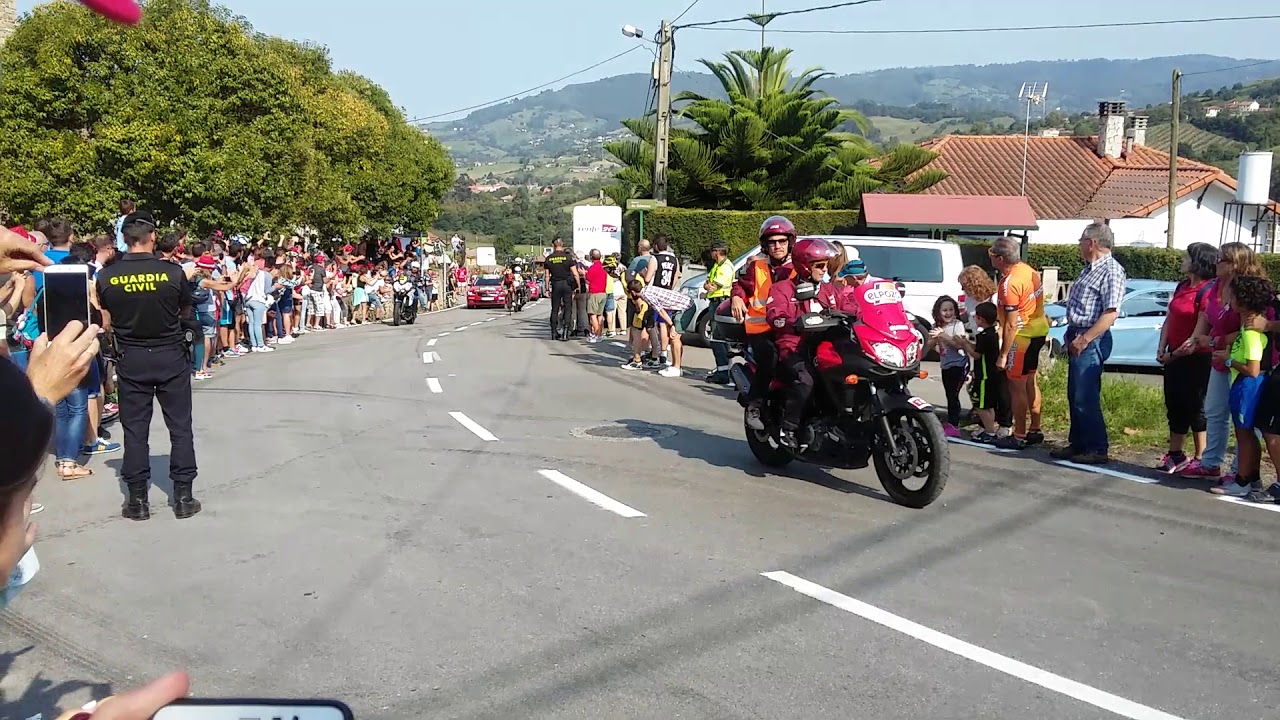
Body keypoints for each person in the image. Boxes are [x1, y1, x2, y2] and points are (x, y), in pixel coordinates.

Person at [95, 211, 202, 520]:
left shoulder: (107, 276)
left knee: (135, 431)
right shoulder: (172, 272)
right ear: (152, 236)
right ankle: (183, 497)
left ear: (125, 239)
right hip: (170, 354)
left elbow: (107, 316)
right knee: (180, 428)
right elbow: (184, 307)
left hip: (132, 357)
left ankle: (138, 500)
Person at [1050, 221, 1126, 465]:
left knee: (1086, 394)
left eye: (1082, 241)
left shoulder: (1111, 270)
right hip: (1077, 332)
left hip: (1092, 337)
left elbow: (1111, 312)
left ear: (1092, 242)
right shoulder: (1088, 269)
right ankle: (1079, 442)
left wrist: (1085, 338)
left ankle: (1097, 447)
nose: (1079, 245)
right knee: (1074, 394)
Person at [764, 237, 842, 449]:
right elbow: (774, 314)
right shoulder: (782, 289)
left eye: (826, 265)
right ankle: (788, 428)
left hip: (826, 345)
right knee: (805, 379)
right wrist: (789, 321)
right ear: (805, 266)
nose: (824, 270)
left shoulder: (829, 289)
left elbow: (851, 303)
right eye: (819, 266)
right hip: (794, 344)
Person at [1208, 274, 1274, 500]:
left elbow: (1253, 369)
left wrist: (1228, 360)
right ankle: (1251, 478)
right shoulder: (1247, 327)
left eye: (1233, 295)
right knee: (1244, 433)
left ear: (1243, 300)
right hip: (1243, 384)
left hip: (1248, 385)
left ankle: (1243, 480)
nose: (1229, 298)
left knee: (1244, 434)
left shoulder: (1252, 332)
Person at [1154, 242, 1217, 474]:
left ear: (1198, 262)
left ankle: (1202, 458)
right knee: (1175, 404)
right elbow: (1170, 318)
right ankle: (1175, 454)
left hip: (1197, 357)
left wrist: (1173, 355)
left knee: (1196, 407)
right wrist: (1162, 347)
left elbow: (1198, 332)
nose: (1183, 259)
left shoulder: (1208, 290)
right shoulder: (1182, 286)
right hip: (1174, 354)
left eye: (1187, 256)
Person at [732, 216, 796, 430]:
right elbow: (741, 285)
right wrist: (737, 296)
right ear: (765, 245)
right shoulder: (757, 267)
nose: (777, 246)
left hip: (791, 328)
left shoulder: (799, 268)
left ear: (790, 242)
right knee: (770, 360)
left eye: (782, 241)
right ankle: (755, 405)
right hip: (761, 329)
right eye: (772, 242)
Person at [988, 236, 1049, 450]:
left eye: (991, 254)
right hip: (1039, 330)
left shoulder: (1010, 283)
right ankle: (1035, 429)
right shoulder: (1029, 271)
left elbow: (1011, 324)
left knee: (1017, 386)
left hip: (1021, 337)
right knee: (1031, 381)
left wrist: (1003, 354)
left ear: (1000, 258)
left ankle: (1020, 435)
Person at [958, 302, 1003, 443]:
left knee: (981, 406)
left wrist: (964, 344)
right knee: (989, 405)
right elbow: (979, 348)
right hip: (992, 374)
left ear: (981, 319)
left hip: (984, 376)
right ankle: (989, 429)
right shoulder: (992, 333)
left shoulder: (984, 336)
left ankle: (989, 433)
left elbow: (977, 354)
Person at [926, 295, 969, 438]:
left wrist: (943, 335)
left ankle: (954, 425)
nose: (948, 313)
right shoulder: (936, 326)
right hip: (946, 365)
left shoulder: (957, 325)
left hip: (959, 364)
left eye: (951, 309)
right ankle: (951, 422)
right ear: (937, 312)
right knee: (948, 394)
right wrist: (933, 341)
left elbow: (959, 345)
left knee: (953, 395)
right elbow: (931, 345)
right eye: (944, 310)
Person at [704, 239, 735, 385]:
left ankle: (723, 373)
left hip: (720, 303)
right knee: (718, 338)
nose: (711, 254)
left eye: (712, 251)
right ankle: (722, 369)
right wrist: (707, 285)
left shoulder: (726, 267)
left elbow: (713, 286)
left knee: (717, 338)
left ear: (717, 251)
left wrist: (709, 286)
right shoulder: (718, 265)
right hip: (716, 302)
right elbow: (707, 283)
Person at [544, 238, 579, 341]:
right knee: (568, 308)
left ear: (553, 245)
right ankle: (565, 332)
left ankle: (554, 332)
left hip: (555, 284)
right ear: (562, 244)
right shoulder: (568, 257)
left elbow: (546, 276)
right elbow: (575, 273)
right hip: (567, 284)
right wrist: (578, 286)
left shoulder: (549, 258)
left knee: (555, 309)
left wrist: (547, 289)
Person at [585, 249, 608, 342]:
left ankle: (596, 334)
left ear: (591, 257)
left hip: (594, 293)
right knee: (600, 314)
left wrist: (584, 273)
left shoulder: (592, 268)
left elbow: (588, 279)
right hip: (603, 293)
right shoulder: (603, 268)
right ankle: (600, 334)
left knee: (592, 315)